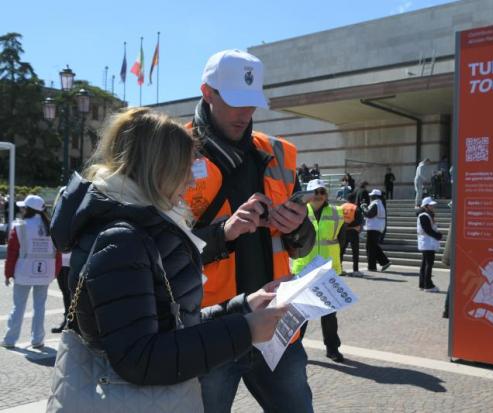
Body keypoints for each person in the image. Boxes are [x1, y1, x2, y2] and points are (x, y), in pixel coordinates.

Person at [49, 108, 287, 407]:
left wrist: (242, 307)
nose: (190, 181)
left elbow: (172, 322)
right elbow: (141, 358)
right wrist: (246, 329)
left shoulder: (138, 229)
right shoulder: (123, 240)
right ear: (159, 168)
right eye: (185, 168)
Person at [184, 49, 315, 412]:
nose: (247, 113)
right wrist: (222, 232)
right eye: (235, 101)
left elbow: (301, 247)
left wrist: (299, 228)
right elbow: (158, 253)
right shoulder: (173, 153)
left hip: (277, 327)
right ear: (207, 92)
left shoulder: (278, 153)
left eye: (252, 102)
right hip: (209, 330)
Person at [292, 179, 345, 362]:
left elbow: (343, 238)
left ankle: (332, 348)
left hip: (327, 269)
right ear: (308, 194)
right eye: (315, 192)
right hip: (304, 269)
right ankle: (295, 349)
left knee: (329, 314)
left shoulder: (336, 212)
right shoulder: (299, 212)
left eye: (322, 191)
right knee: (301, 314)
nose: (319, 195)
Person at [2, 195, 61, 349]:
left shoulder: (20, 226)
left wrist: (8, 273)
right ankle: (37, 340)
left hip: (24, 272)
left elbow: (12, 252)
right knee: (39, 307)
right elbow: (58, 253)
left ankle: (10, 339)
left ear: (27, 209)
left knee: (18, 307)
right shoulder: (52, 227)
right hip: (45, 273)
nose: (21, 209)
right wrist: (55, 272)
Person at [50, 187, 71, 334]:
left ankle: (72, 322)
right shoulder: (56, 214)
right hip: (60, 260)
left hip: (74, 260)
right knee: (65, 292)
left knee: (73, 292)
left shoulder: (79, 212)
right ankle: (67, 320)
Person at [361, 189, 391, 272]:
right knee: (373, 246)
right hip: (377, 227)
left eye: (371, 196)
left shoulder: (375, 204)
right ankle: (384, 262)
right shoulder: (380, 203)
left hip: (373, 228)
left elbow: (369, 214)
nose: (370, 197)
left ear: (375, 196)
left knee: (370, 248)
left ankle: (372, 266)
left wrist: (363, 207)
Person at [417, 196, 442, 292]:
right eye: (431, 205)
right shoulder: (424, 215)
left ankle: (423, 284)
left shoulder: (426, 215)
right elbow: (427, 230)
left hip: (427, 242)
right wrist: (437, 235)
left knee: (425, 264)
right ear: (426, 206)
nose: (432, 207)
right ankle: (428, 285)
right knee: (428, 264)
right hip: (427, 242)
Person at [339, 192, 364, 276]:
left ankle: (339, 269)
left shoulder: (341, 207)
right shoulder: (355, 208)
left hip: (342, 232)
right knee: (355, 252)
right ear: (354, 199)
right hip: (353, 232)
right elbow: (359, 221)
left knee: (341, 251)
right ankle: (355, 270)